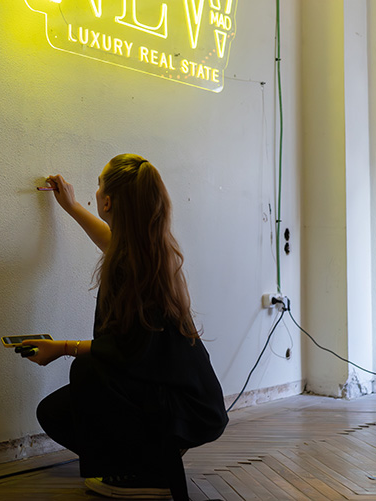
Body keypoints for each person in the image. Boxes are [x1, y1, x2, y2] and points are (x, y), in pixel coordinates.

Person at [20, 154, 228, 500]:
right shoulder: (147, 251)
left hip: (183, 406)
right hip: (188, 398)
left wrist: (62, 348)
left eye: (99, 184)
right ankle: (151, 456)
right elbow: (109, 239)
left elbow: (126, 350)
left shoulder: (134, 265)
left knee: (87, 372)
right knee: (58, 411)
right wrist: (71, 207)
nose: (96, 190)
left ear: (108, 201)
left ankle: (148, 475)